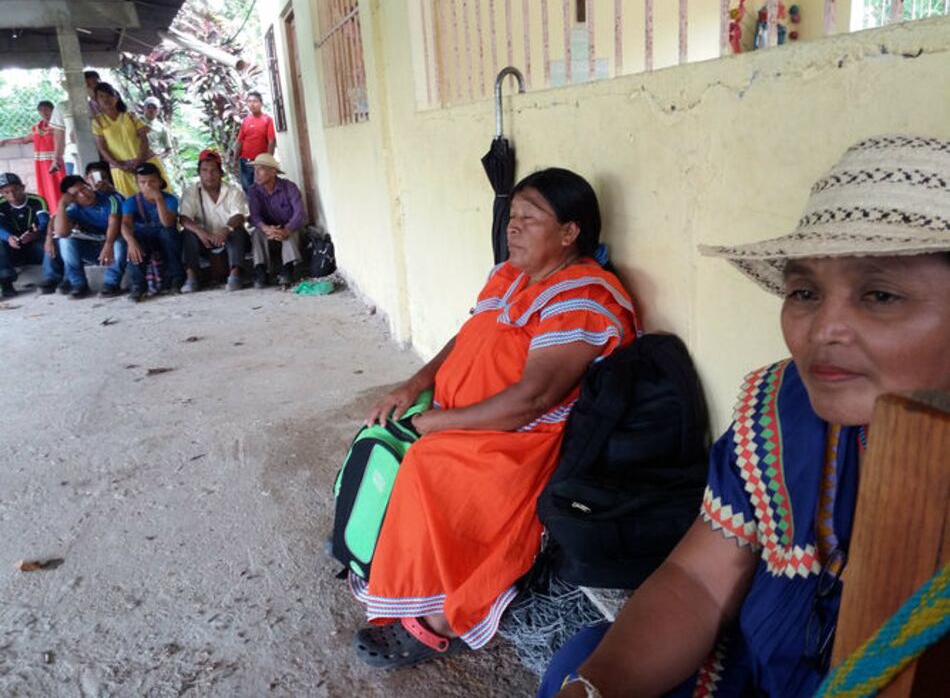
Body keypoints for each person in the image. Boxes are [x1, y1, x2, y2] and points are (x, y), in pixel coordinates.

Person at [541, 135, 950, 698]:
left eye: (880, 295)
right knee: (587, 660)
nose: (821, 329)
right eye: (804, 291)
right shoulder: (781, 408)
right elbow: (699, 581)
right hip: (758, 677)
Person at [349, 168, 641, 667]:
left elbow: (532, 399)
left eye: (531, 218)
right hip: (466, 414)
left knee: (428, 462)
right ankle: (391, 573)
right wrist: (416, 385)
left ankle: (441, 619)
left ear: (570, 233)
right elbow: (470, 335)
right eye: (514, 215)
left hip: (523, 436)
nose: (513, 226)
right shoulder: (510, 274)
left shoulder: (584, 296)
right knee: (381, 435)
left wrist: (434, 424)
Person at [178, 149, 250, 292]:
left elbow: (240, 215)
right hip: (205, 241)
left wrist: (226, 229)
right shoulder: (191, 192)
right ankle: (191, 277)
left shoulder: (233, 191)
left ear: (220, 172)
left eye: (213, 170)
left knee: (238, 231)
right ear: (199, 173)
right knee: (187, 234)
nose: (209, 175)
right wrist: (200, 232)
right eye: (204, 170)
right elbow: (184, 218)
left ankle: (235, 275)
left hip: (229, 239)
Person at [53, 175, 127, 299]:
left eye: (84, 189)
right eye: (76, 194)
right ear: (72, 199)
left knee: (120, 240)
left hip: (116, 247)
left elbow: (114, 221)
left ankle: (111, 284)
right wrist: (61, 205)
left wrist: (108, 245)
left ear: (89, 186)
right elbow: (62, 232)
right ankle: (78, 285)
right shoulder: (75, 208)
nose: (83, 194)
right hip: (96, 250)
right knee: (66, 240)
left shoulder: (111, 198)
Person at [91, 83, 170, 198]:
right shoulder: (97, 122)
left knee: (160, 197)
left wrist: (140, 159)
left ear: (116, 97)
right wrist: (117, 164)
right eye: (101, 96)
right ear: (96, 100)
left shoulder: (131, 116)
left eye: (109, 95)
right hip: (121, 168)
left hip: (145, 161)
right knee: (132, 202)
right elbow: (102, 147)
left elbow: (144, 139)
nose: (105, 99)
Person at [120, 163, 182, 301]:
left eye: (152, 181)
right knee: (132, 241)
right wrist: (131, 242)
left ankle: (176, 279)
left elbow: (168, 223)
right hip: (144, 239)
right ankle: (138, 286)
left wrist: (158, 199)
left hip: (164, 239)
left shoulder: (170, 199)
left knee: (169, 233)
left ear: (159, 181)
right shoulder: (131, 202)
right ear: (137, 184)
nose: (147, 186)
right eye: (143, 182)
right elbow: (125, 224)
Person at [246, 153, 305, 288]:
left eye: (260, 169)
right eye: (255, 170)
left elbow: (299, 213)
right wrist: (267, 228)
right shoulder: (254, 191)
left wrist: (286, 230)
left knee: (290, 235)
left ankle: (287, 269)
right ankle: (261, 270)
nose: (256, 174)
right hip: (268, 229)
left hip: (289, 226)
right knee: (257, 234)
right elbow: (254, 216)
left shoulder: (289, 187)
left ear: (273, 172)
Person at [0, 172, 64, 297]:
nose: (12, 195)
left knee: (51, 243)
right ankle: (6, 282)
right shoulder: (1, 204)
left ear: (23, 188)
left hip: (34, 244)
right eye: (6, 192)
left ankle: (51, 280)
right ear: (2, 193)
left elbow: (44, 222)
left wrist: (36, 233)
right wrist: (8, 238)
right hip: (11, 246)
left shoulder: (37, 200)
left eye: (16, 190)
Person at [0, 100, 67, 210]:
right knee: (47, 188)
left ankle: (65, 210)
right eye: (41, 110)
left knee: (60, 186)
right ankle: (51, 210)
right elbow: (24, 139)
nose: (44, 113)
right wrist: (6, 141)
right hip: (43, 165)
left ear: (53, 111)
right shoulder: (37, 128)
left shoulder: (59, 126)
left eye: (47, 110)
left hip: (57, 162)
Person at [233, 91, 276, 191]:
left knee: (261, 190)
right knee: (248, 190)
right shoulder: (246, 121)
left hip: (260, 162)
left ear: (261, 103)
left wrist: (268, 161)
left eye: (255, 101)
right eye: (249, 101)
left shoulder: (267, 120)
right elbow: (240, 141)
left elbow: (271, 141)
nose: (252, 104)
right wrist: (235, 159)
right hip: (245, 162)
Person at [142, 96, 173, 162]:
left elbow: (169, 149)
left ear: (158, 111)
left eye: (154, 108)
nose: (151, 110)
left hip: (152, 161)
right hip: (135, 158)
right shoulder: (135, 122)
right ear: (144, 108)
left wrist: (159, 158)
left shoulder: (162, 128)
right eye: (149, 107)